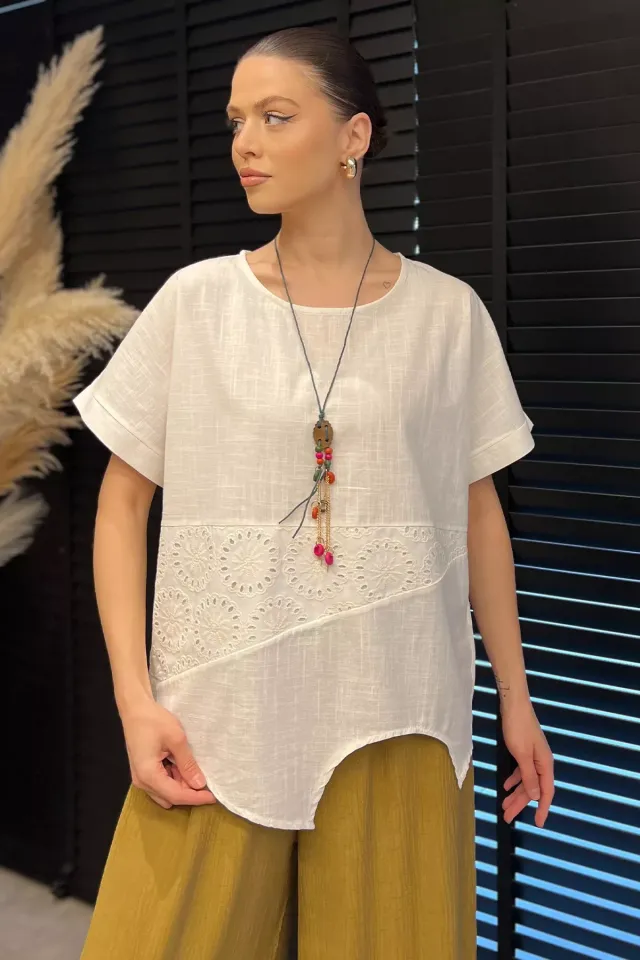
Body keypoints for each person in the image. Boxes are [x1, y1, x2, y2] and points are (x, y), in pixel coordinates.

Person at [73, 24, 554, 960]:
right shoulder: (196, 304)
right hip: (219, 711)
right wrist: (136, 699)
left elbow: (476, 510)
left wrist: (518, 698)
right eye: (235, 120)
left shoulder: (448, 315)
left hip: (398, 704)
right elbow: (121, 505)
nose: (244, 143)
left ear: (353, 137)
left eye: (275, 116)